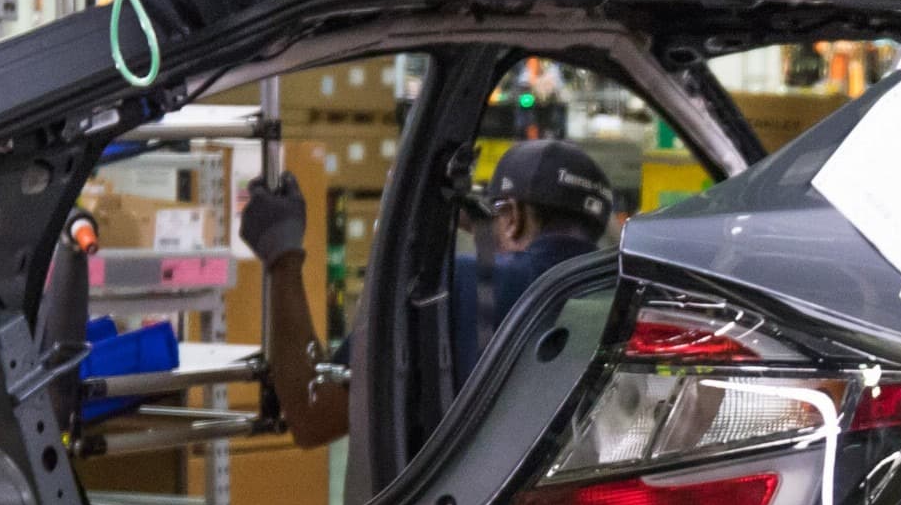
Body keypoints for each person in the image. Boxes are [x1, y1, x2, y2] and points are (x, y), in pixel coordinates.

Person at [239, 138, 623, 449]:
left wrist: (282, 256)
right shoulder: (624, 299)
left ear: (513, 217)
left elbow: (313, 416)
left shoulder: (455, 287)